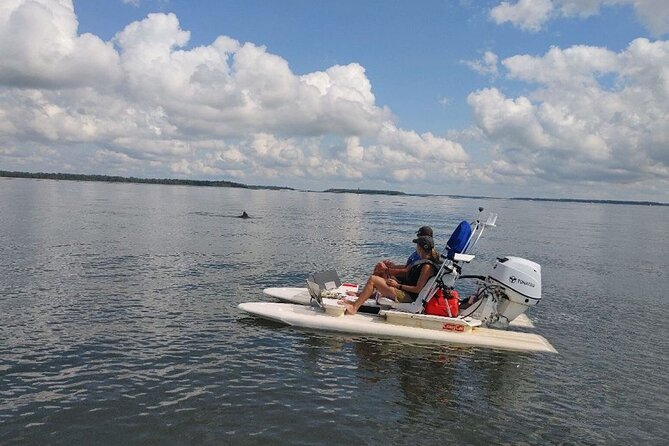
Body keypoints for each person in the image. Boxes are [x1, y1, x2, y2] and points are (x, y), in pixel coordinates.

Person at [339, 235, 440, 315]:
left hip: (407, 296)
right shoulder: (422, 262)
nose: (416, 247)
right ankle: (364, 296)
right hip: (404, 290)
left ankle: (354, 308)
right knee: (381, 271)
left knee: (373, 279)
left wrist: (397, 285)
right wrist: (390, 269)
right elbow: (408, 271)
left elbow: (417, 289)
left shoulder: (427, 266)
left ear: (421, 248)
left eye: (417, 245)